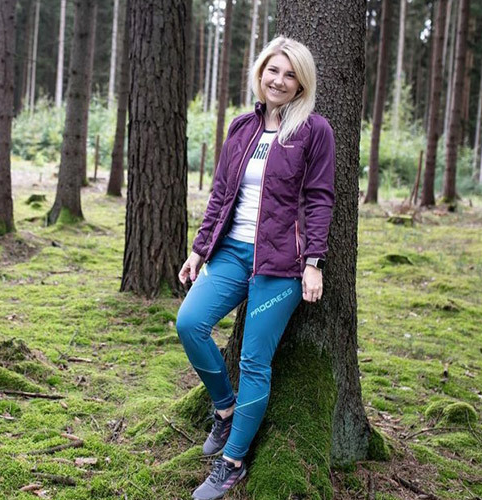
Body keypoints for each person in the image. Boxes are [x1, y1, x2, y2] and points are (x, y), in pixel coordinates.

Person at [176, 35, 335, 500]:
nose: (279, 81)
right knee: (189, 323)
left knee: (253, 360)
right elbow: (221, 194)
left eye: (290, 75)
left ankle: (232, 462)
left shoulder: (314, 131)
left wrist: (313, 262)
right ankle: (225, 411)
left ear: (301, 84)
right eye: (273, 70)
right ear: (260, 72)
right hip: (231, 252)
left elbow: (319, 199)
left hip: (281, 264)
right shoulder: (242, 127)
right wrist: (199, 250)